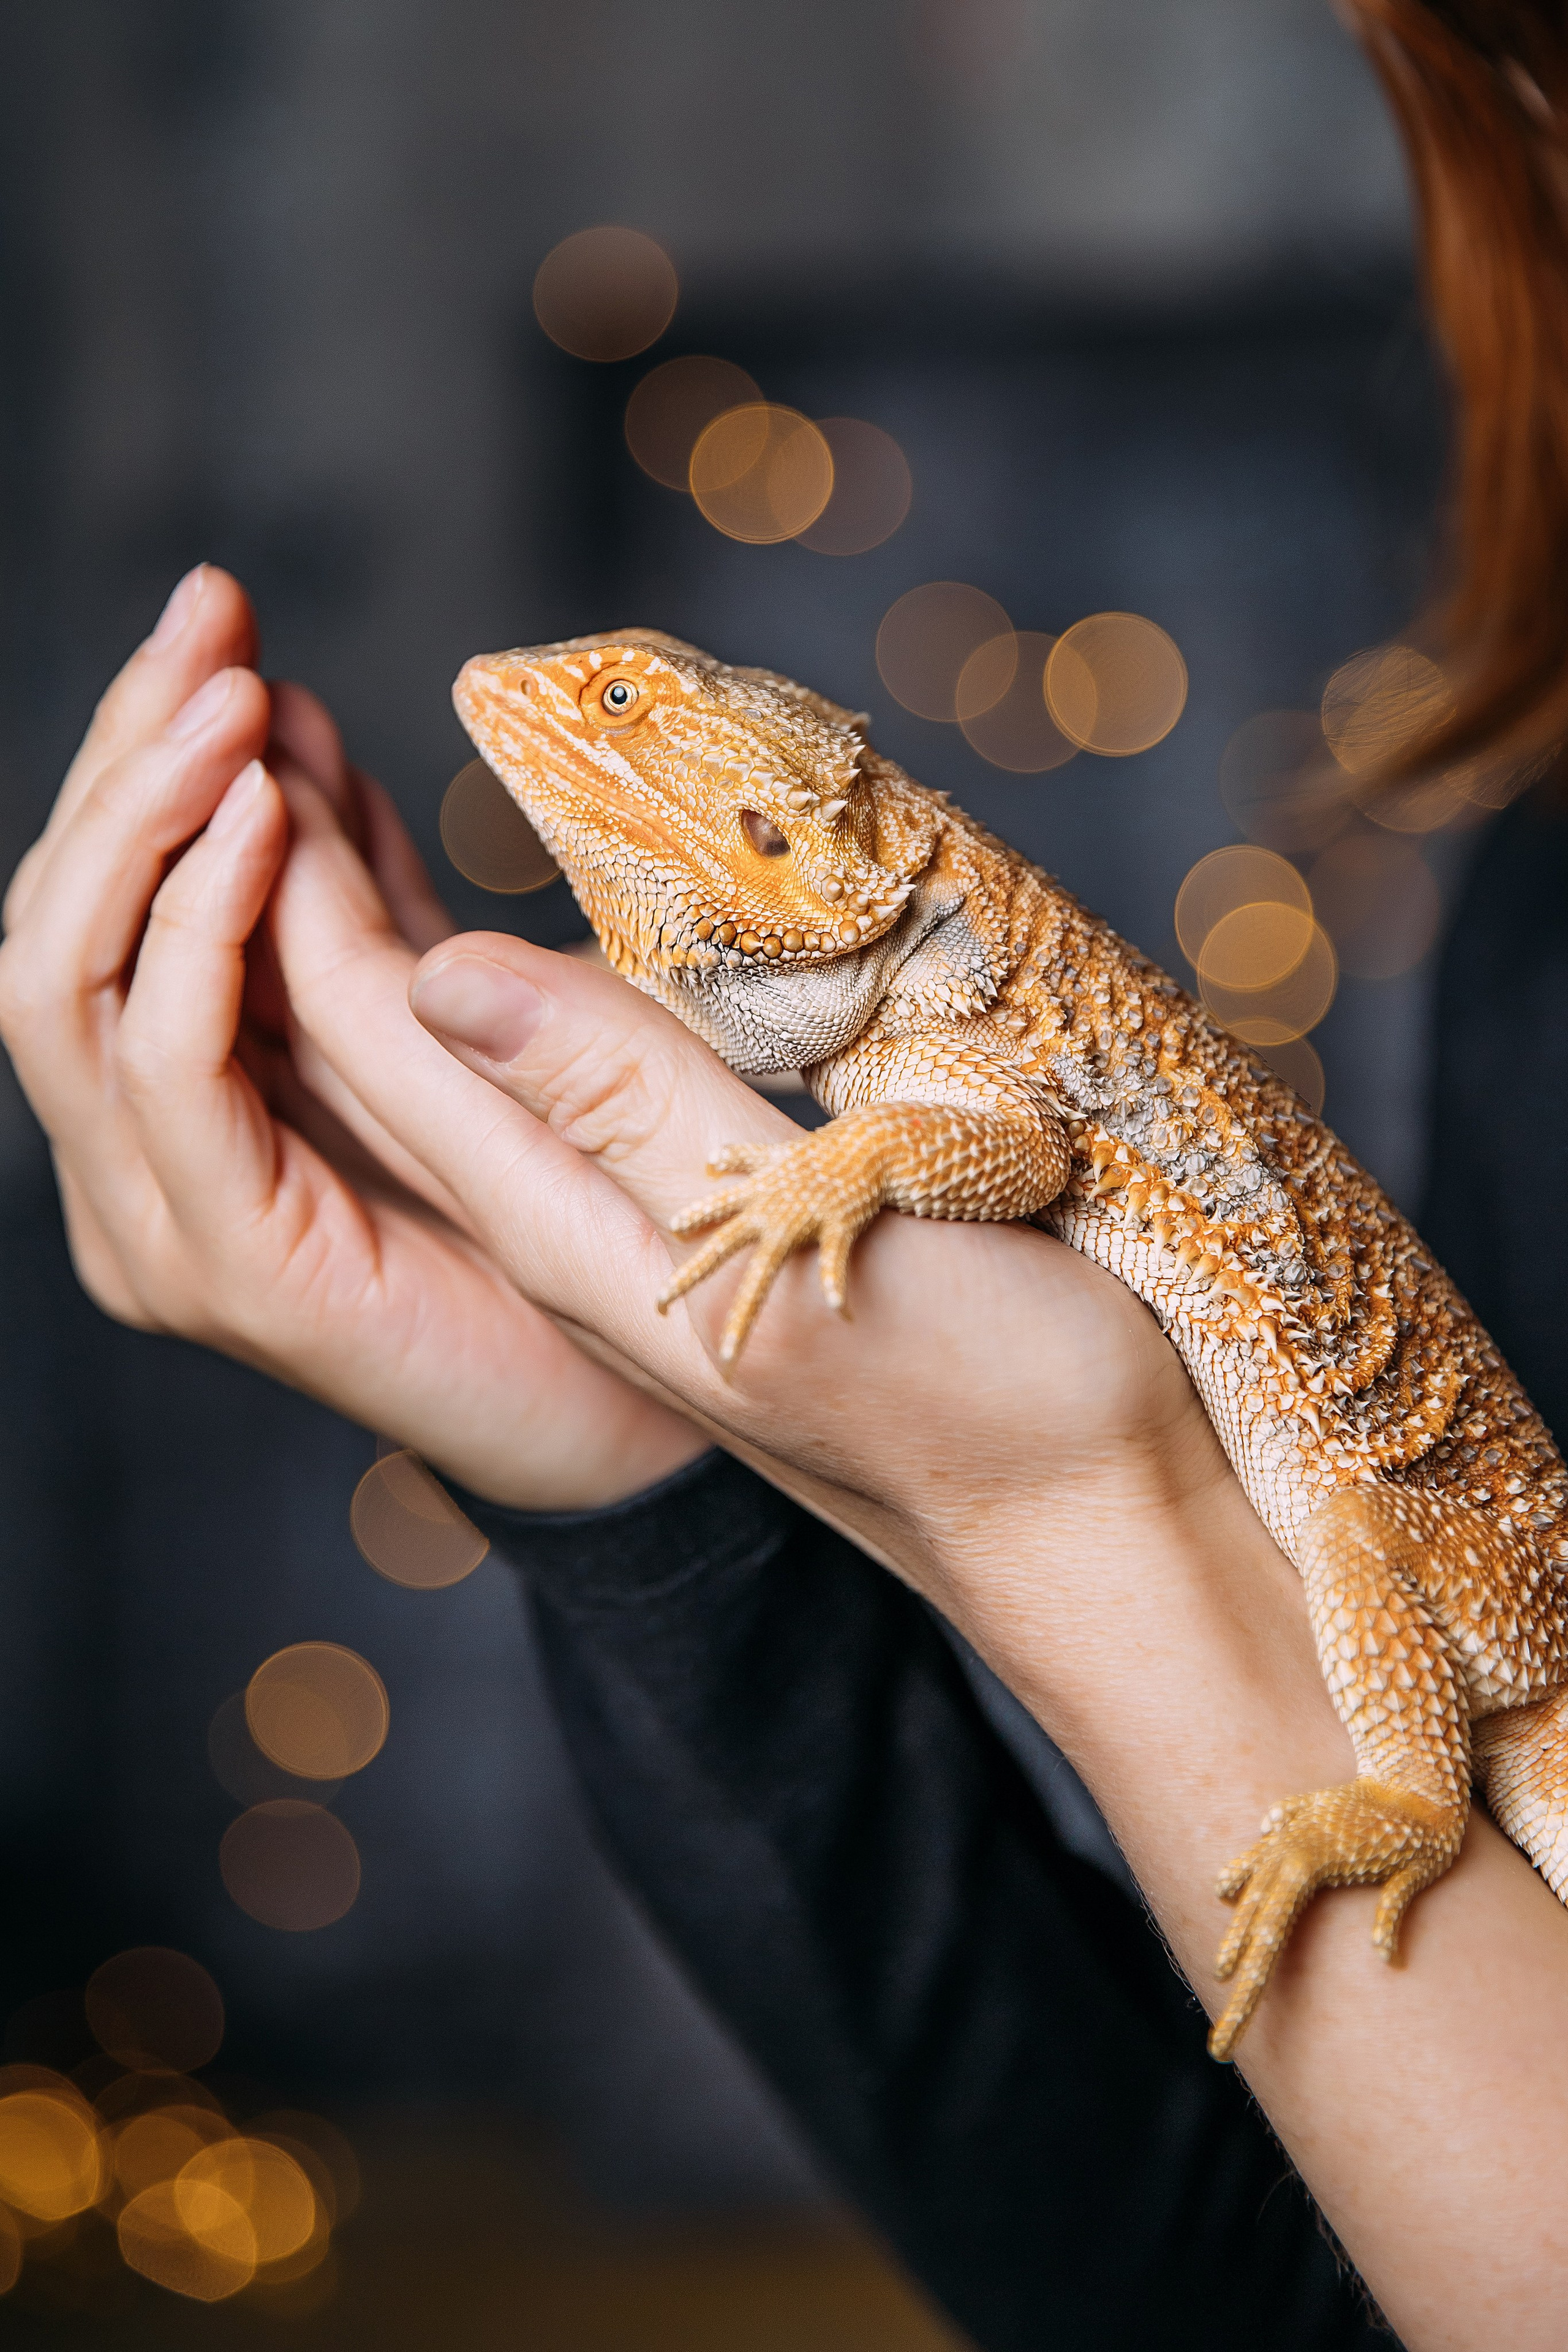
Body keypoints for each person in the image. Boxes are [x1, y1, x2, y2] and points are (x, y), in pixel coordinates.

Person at [6, 7, 1568, 2348]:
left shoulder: (985, 1050)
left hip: (1472, 1673)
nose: (560, 704)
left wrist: (1094, 1534)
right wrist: (620, 1455)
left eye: (636, 711)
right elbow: (1243, 2284)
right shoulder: (1532, 888)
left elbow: (1013, 1144)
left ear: (783, 826)